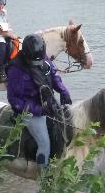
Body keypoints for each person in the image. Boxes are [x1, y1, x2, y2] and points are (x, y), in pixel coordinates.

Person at [6, 34, 71, 170]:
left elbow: (53, 75)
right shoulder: (15, 70)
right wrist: (38, 110)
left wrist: (63, 91)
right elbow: (14, 100)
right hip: (28, 111)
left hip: (47, 102)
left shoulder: (42, 57)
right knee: (44, 143)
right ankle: (44, 178)